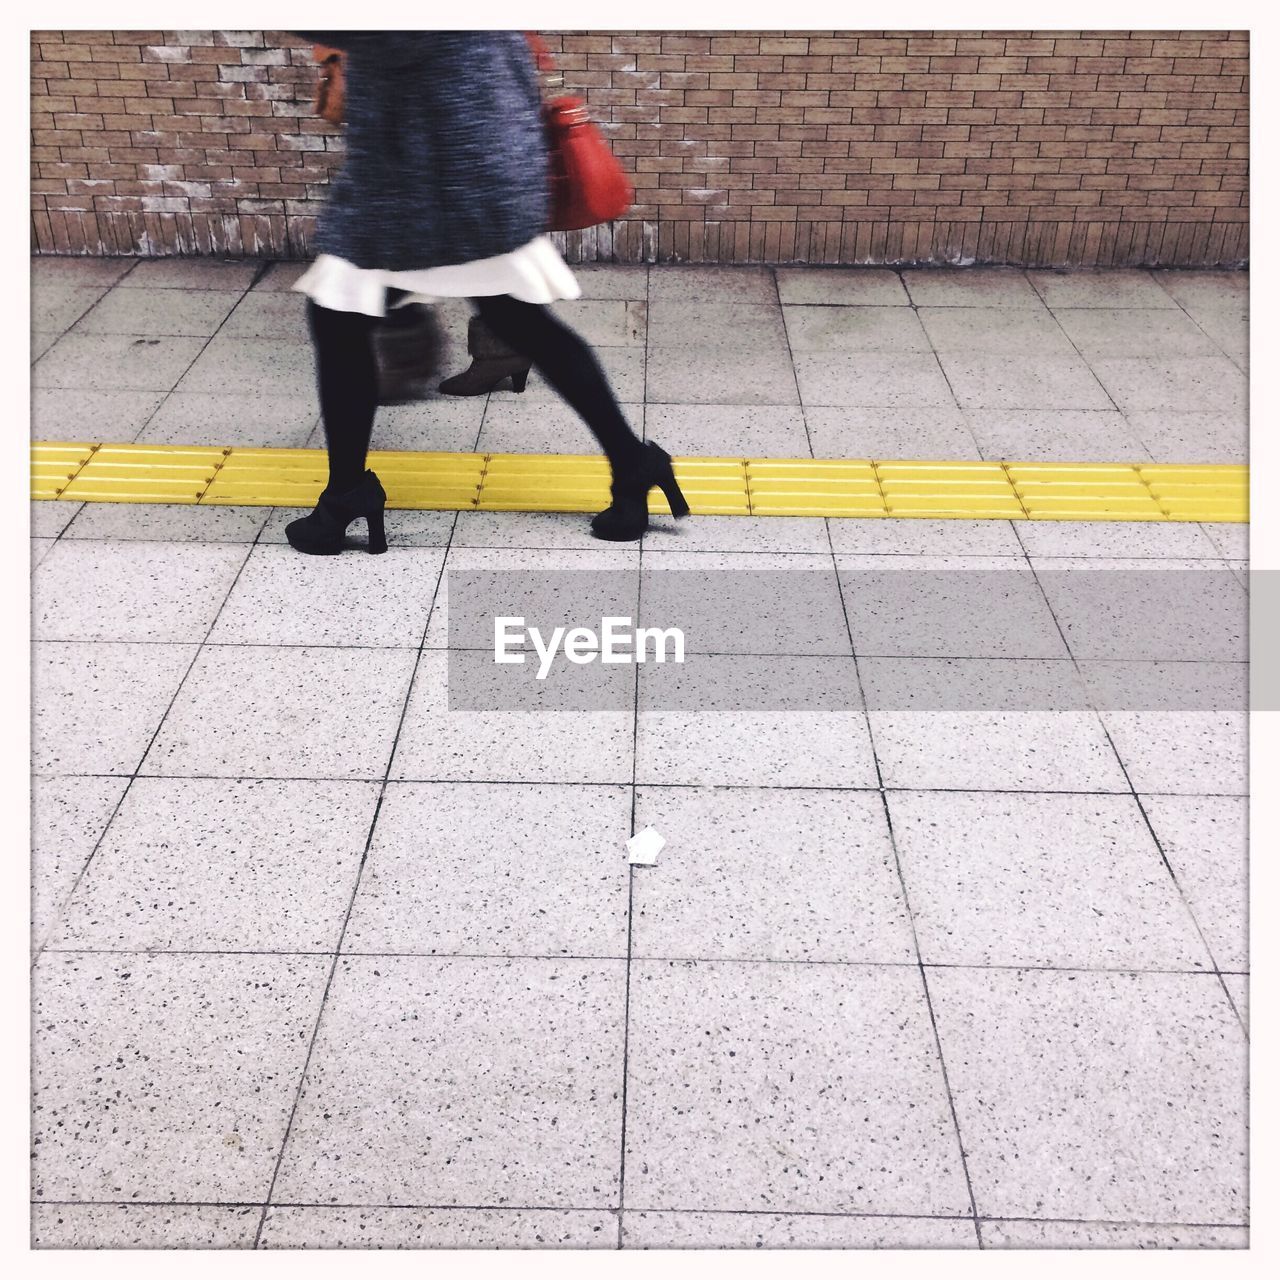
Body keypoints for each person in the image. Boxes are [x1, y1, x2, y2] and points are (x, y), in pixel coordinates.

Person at [286, 30, 687, 553]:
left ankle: (344, 497)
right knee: (523, 324)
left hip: (431, 186)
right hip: (480, 171)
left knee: (338, 317)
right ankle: (634, 464)